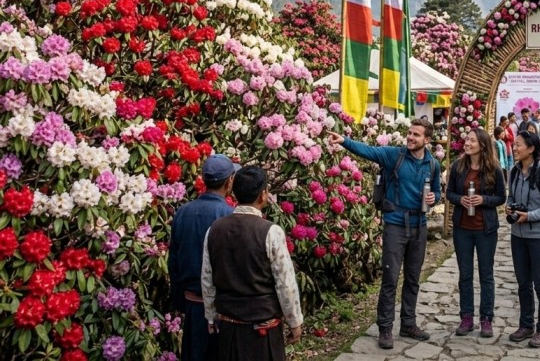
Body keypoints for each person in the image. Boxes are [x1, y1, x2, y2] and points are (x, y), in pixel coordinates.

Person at [328, 119, 442, 349]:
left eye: (416, 135)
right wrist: (345, 141)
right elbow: (369, 151)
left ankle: (408, 323)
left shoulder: (433, 164)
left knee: (413, 278)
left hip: (419, 225)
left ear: (427, 140)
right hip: (395, 225)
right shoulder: (394, 156)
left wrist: (434, 198)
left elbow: (438, 191)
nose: (410, 137)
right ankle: (385, 328)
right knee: (390, 278)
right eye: (409, 133)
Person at [201, 166, 303, 361]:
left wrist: (211, 316)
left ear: (234, 191)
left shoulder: (214, 230)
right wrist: (294, 321)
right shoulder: (271, 232)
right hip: (263, 331)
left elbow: (207, 279)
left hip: (228, 327)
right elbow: (285, 284)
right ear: (263, 195)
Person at [169, 154, 239, 361]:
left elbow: (174, 261)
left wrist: (179, 302)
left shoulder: (183, 212)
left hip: (192, 305)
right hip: (223, 309)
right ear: (229, 182)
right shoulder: (230, 215)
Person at [446, 129, 506, 338]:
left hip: (485, 229)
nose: (467, 142)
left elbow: (501, 197)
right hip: (463, 228)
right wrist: (459, 199)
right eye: (467, 139)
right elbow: (449, 193)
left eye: (472, 140)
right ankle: (466, 317)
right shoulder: (458, 166)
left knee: (486, 274)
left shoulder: (493, 169)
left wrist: (484, 200)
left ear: (482, 144)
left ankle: (486, 318)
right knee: (465, 274)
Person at [506, 130, 540, 348]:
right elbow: (511, 195)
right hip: (517, 236)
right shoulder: (514, 171)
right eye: (515, 144)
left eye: (518, 144)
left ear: (531, 148)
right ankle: (526, 324)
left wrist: (529, 216)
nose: (515, 147)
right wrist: (510, 207)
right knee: (522, 283)